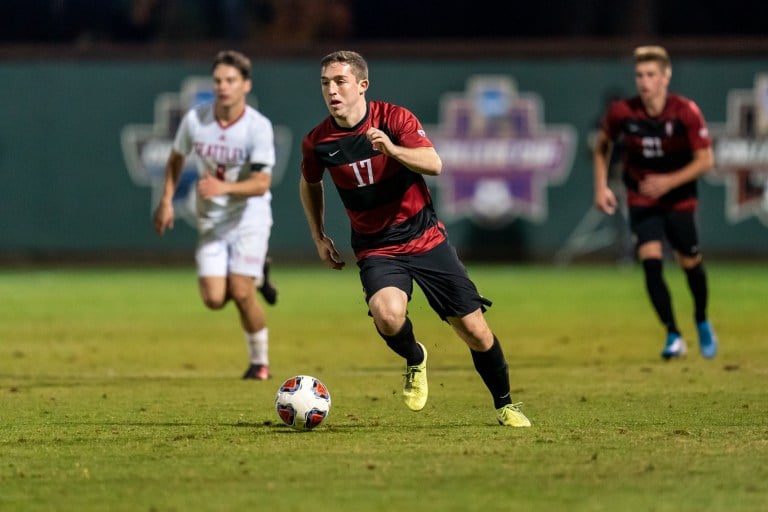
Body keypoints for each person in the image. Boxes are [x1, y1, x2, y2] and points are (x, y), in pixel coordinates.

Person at [299, 50, 531, 427]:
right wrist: (318, 234)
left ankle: (505, 404)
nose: (332, 91)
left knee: (474, 330)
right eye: (325, 83)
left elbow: (434, 163)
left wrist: (391, 149)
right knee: (388, 316)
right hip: (376, 247)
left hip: (425, 239)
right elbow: (309, 183)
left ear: (362, 85)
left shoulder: (394, 119)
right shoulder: (318, 142)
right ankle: (414, 357)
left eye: (340, 82)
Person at [153, 50, 278, 380]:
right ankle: (260, 273)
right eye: (219, 80)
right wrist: (166, 200)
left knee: (240, 291)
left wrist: (224, 188)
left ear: (245, 85)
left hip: (249, 215)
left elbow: (262, 182)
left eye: (231, 80)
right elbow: (176, 158)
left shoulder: (257, 127)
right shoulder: (196, 119)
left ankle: (259, 363)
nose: (223, 86)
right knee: (213, 299)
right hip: (212, 218)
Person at [592, 45, 718, 360]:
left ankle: (701, 320)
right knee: (650, 262)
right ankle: (673, 333)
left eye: (650, 75)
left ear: (665, 77)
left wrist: (669, 182)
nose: (644, 81)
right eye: (639, 75)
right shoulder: (623, 112)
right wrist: (601, 187)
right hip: (642, 198)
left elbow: (705, 160)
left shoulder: (685, 110)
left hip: (679, 200)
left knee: (691, 263)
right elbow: (602, 146)